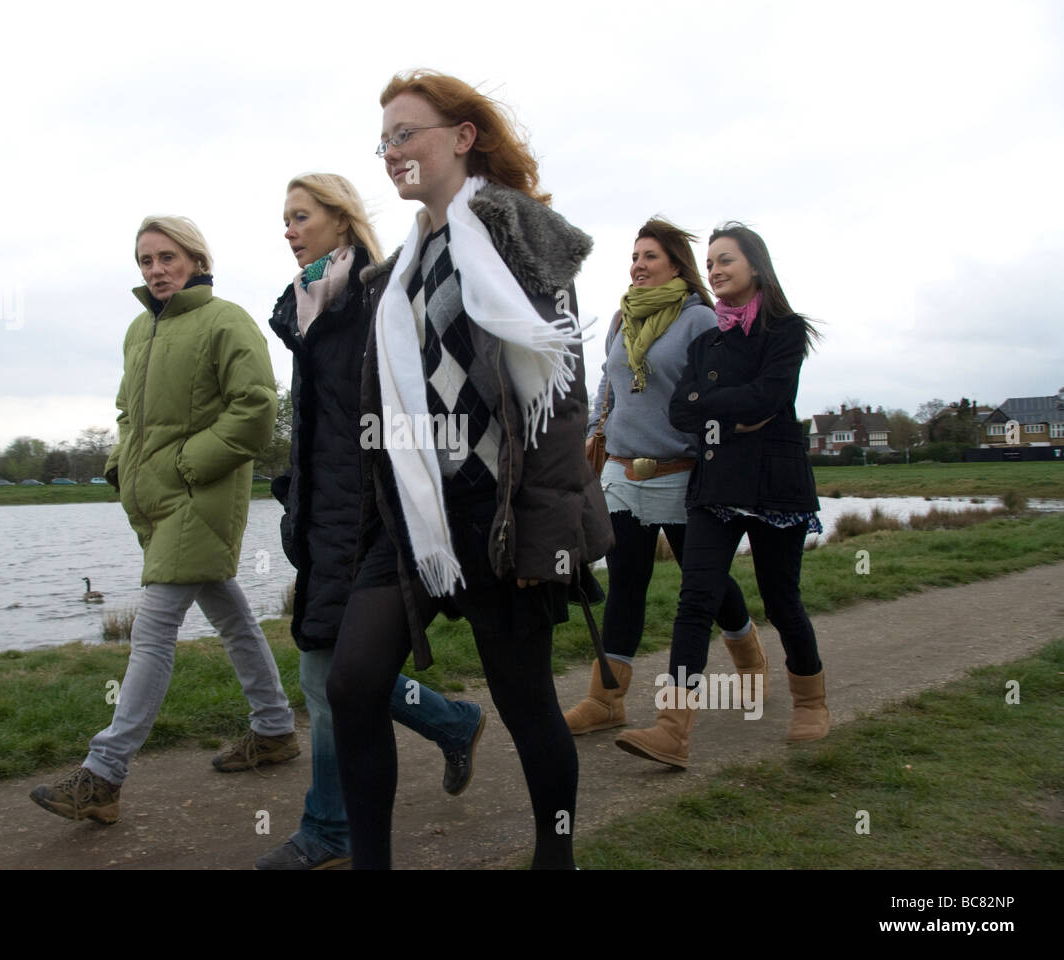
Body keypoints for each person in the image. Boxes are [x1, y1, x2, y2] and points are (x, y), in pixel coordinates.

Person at [326, 70, 614, 870]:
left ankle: (555, 858)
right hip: (418, 519)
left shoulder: (524, 233)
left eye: (405, 133)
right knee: (351, 685)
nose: (391, 152)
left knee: (527, 708)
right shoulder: (396, 274)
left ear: (461, 137)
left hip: (503, 511)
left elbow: (560, 402)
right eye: (382, 140)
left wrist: (546, 533)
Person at [30, 215, 297, 824]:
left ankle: (103, 776)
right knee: (233, 617)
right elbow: (128, 411)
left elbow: (256, 409)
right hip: (156, 501)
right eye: (146, 261)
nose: (155, 271)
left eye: (167, 258)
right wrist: (120, 464)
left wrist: (184, 465)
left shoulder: (226, 320)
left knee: (150, 634)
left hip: (199, 497)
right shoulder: (137, 331)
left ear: (196, 260)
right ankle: (276, 728)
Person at [258, 173, 486, 870]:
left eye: (300, 217)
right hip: (323, 517)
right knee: (334, 676)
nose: (289, 231)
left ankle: (332, 825)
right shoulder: (307, 306)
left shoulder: (380, 296)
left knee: (330, 680)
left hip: (371, 519)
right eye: (285, 220)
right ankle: (451, 720)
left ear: (341, 218)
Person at [617, 222, 829, 768]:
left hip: (775, 488)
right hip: (716, 484)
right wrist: (736, 418)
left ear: (755, 267)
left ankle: (810, 700)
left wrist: (720, 405)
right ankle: (672, 729)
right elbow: (681, 409)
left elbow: (770, 395)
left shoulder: (785, 331)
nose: (714, 271)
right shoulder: (709, 337)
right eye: (709, 263)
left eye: (725, 261)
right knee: (695, 600)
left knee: (781, 600)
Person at [564, 219, 763, 739]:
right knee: (627, 581)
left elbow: (718, 394)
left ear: (676, 263)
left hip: (681, 472)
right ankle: (606, 699)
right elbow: (606, 388)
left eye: (649, 256)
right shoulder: (619, 320)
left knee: (708, 584)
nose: (638, 265)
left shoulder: (701, 321)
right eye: (633, 256)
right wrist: (589, 440)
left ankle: (751, 661)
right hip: (622, 472)